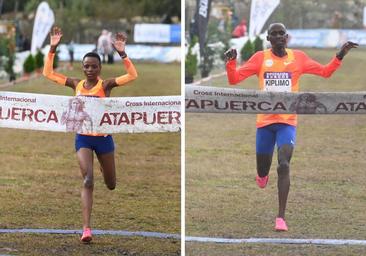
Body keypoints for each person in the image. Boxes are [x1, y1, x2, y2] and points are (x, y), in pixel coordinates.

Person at [225, 23, 357, 231]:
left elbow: (325, 72)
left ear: (287, 37)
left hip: (287, 123)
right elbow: (234, 79)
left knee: (284, 164)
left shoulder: (299, 58)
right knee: (263, 169)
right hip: (265, 124)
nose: (278, 37)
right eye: (274, 34)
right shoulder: (260, 58)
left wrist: (340, 55)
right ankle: (262, 175)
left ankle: (280, 217)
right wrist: (231, 63)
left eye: (282, 34)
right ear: (268, 39)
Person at [43, 26, 138, 243]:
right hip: (83, 138)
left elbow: (132, 75)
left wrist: (122, 53)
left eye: (94, 67)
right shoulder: (76, 85)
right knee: (87, 179)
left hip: (104, 140)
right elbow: (48, 74)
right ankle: (86, 229)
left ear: (99, 68)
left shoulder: (105, 85)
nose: (89, 70)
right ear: (83, 67)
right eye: (86, 66)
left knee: (111, 184)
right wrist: (52, 48)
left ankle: (106, 169)